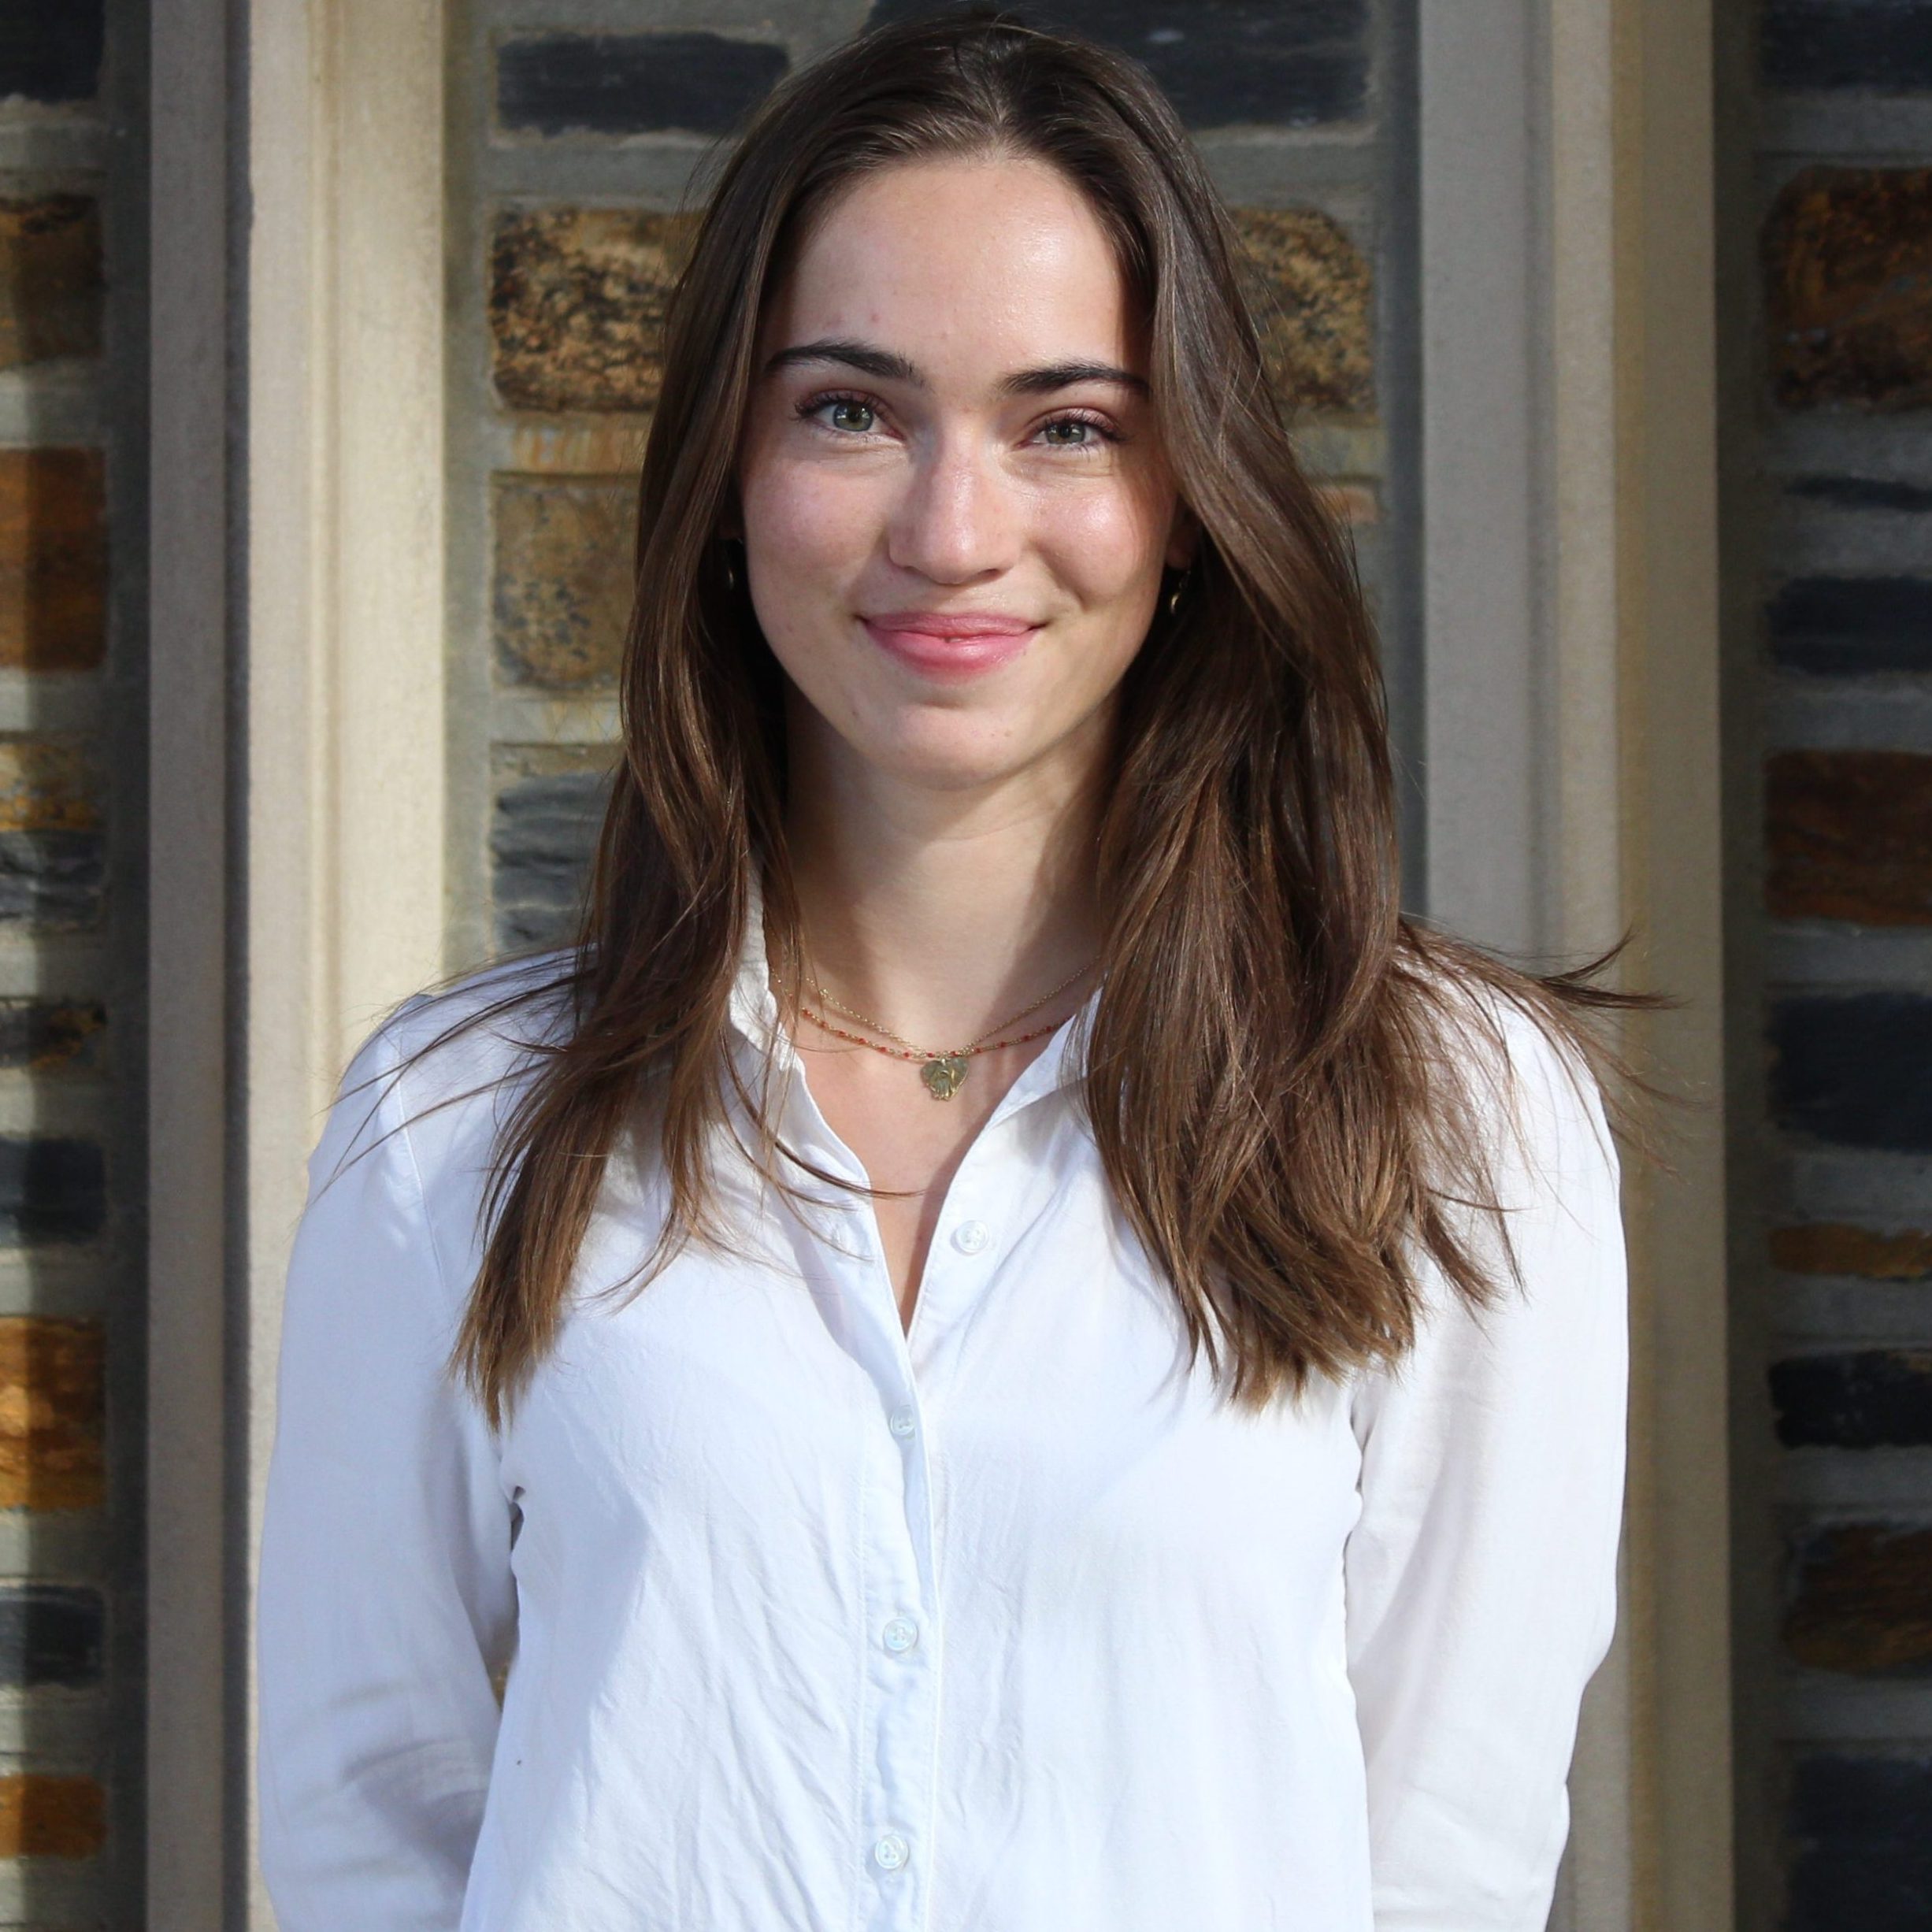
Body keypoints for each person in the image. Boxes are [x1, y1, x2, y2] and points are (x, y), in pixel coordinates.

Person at [256, 14, 1636, 1930]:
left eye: (1066, 424)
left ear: (1188, 507)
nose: (952, 532)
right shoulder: (454, 1127)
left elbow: (1451, 1846)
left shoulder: (1452, 1114)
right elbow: (364, 1828)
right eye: (851, 410)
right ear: (727, 482)